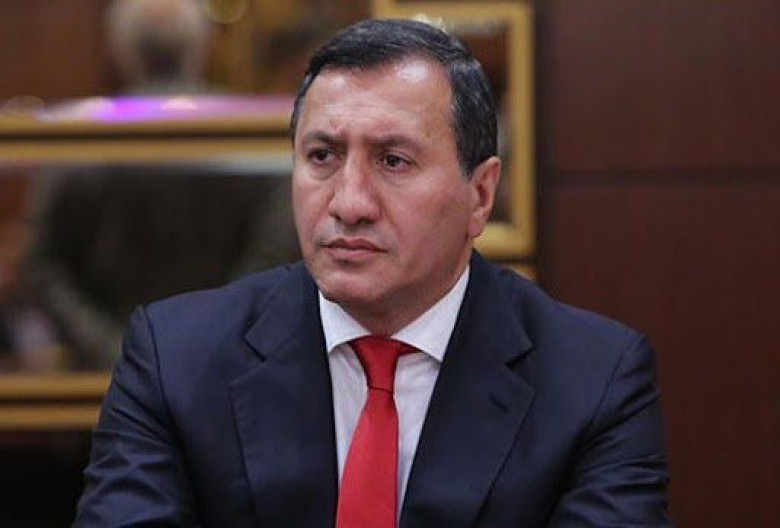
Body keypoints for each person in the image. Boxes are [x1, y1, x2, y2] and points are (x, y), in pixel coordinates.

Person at [74, 19, 670, 527]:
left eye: (393, 161)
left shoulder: (594, 382)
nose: (349, 202)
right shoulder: (175, 359)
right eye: (322, 157)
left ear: (481, 194)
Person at [25, 0, 299, 368]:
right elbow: (274, 254)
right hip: (224, 372)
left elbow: (44, 267)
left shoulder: (79, 137)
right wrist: (215, 340)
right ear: (205, 46)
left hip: (107, 377)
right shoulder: (251, 133)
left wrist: (114, 350)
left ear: (119, 50)